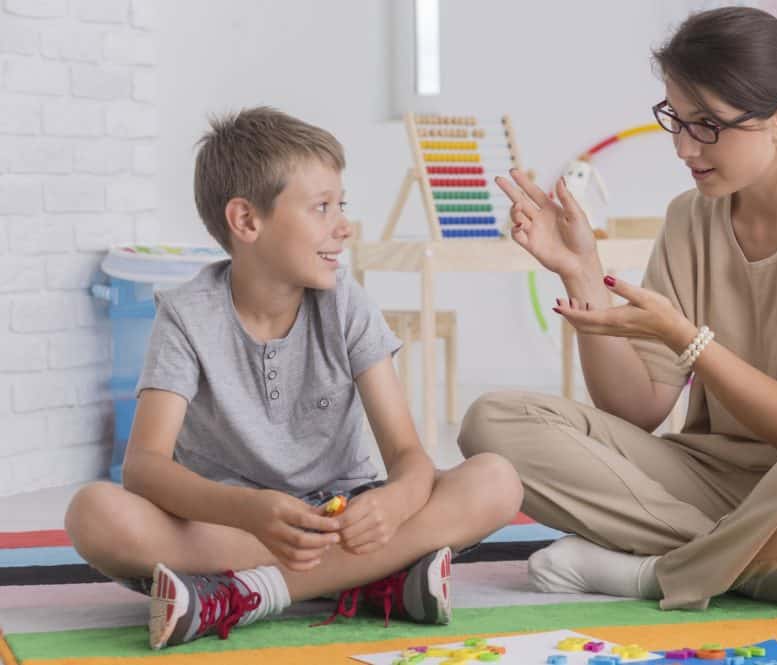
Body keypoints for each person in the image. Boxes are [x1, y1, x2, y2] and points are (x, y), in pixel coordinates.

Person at [458, 7, 777, 613]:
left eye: (707, 125)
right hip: (719, 487)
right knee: (495, 420)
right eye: (675, 119)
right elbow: (638, 408)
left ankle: (653, 574)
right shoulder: (690, 218)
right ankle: (758, 573)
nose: (684, 147)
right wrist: (582, 271)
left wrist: (688, 340)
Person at [64, 107, 522, 648]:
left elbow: (408, 456)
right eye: (322, 207)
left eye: (341, 205)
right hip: (232, 525)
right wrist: (250, 512)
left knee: (496, 480)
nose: (344, 225)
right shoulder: (186, 315)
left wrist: (395, 503)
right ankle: (375, 580)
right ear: (247, 221)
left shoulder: (346, 304)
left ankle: (243, 595)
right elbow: (144, 468)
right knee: (93, 514)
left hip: (344, 515)